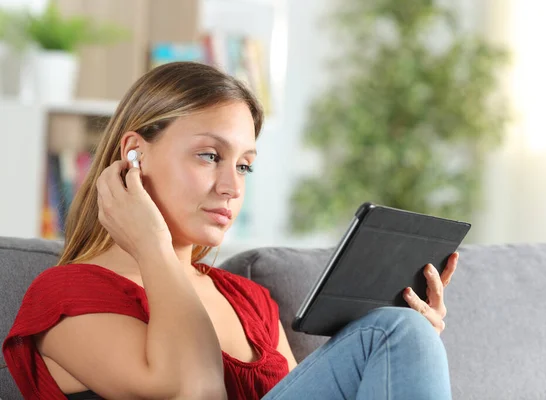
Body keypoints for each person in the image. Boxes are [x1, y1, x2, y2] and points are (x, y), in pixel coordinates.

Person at [2, 62, 460, 400]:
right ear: (135, 155)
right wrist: (153, 246)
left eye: (244, 166)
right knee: (390, 331)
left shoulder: (251, 302)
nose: (231, 186)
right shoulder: (63, 297)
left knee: (400, 331)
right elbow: (194, 389)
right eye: (209, 156)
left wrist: (404, 360)